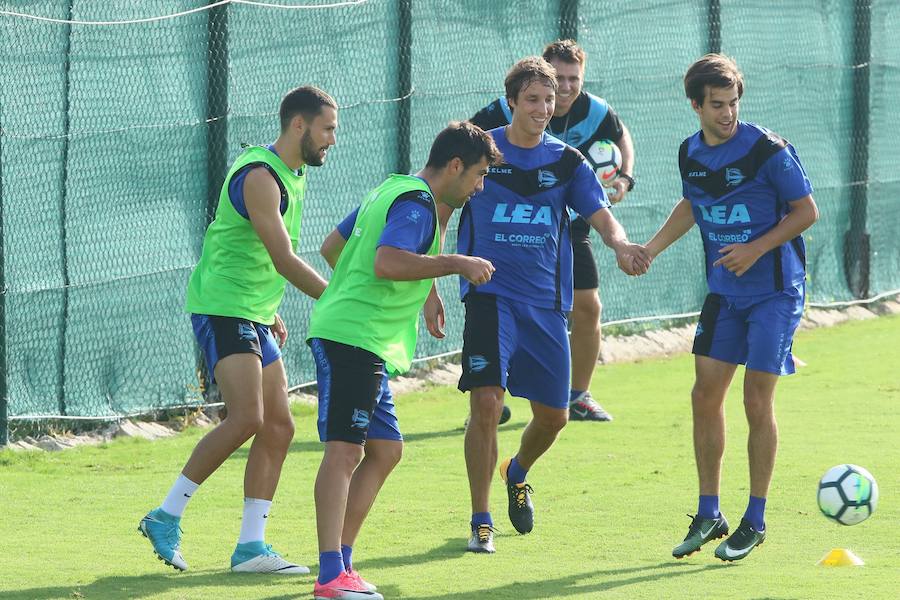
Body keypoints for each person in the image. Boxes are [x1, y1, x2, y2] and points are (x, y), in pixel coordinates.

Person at [138, 86, 337, 574]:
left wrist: (270, 309)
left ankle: (250, 547)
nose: (333, 138)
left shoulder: (293, 173)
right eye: (327, 129)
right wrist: (339, 302)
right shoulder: (261, 177)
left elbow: (259, 254)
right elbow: (283, 256)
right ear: (299, 125)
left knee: (280, 427)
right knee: (248, 418)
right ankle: (165, 515)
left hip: (251, 311)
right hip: (223, 307)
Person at [458, 57, 649, 554]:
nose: (546, 107)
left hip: (545, 303)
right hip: (489, 297)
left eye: (550, 99)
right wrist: (437, 279)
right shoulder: (482, 151)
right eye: (534, 99)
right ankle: (481, 519)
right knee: (486, 403)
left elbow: (602, 217)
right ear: (513, 101)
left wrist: (622, 245)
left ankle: (516, 472)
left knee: (553, 418)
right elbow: (435, 200)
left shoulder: (567, 161)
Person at [307, 122, 501, 599]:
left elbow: (333, 247)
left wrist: (424, 290)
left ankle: (343, 562)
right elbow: (387, 261)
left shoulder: (394, 189)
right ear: (455, 166)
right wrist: (455, 263)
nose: (479, 188)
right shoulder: (416, 205)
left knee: (386, 450)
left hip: (360, 335)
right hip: (354, 337)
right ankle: (330, 574)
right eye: (477, 176)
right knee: (345, 451)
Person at [643, 54, 818, 562]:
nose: (727, 113)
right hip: (724, 294)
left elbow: (807, 210)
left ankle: (755, 520)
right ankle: (708, 512)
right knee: (704, 395)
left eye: (733, 103)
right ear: (695, 105)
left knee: (755, 400)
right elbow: (692, 205)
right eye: (717, 105)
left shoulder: (768, 150)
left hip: (775, 291)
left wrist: (757, 247)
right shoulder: (690, 153)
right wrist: (651, 250)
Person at [470, 39, 636, 422]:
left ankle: (577, 395)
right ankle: (486, 396)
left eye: (571, 79)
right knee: (492, 322)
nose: (562, 89)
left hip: (564, 225)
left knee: (589, 306)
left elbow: (621, 133)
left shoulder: (588, 121)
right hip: (499, 236)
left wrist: (624, 177)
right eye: (555, 79)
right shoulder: (496, 118)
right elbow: (459, 154)